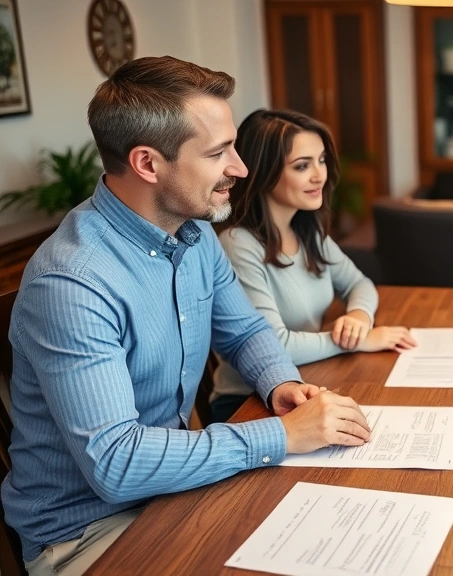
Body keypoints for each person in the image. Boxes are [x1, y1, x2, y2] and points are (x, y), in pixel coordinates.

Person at [1, 56, 374, 576]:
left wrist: (281, 385)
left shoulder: (193, 235)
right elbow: (117, 464)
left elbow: (244, 330)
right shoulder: (72, 282)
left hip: (169, 493)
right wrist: (284, 436)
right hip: (88, 532)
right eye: (219, 152)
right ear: (148, 164)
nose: (240, 169)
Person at [211, 109, 415, 422]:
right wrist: (357, 341)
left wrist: (359, 316)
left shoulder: (308, 232)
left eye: (321, 160)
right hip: (249, 404)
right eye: (302, 166)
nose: (319, 175)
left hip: (308, 378)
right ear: (263, 172)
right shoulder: (239, 245)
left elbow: (359, 284)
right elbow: (273, 347)